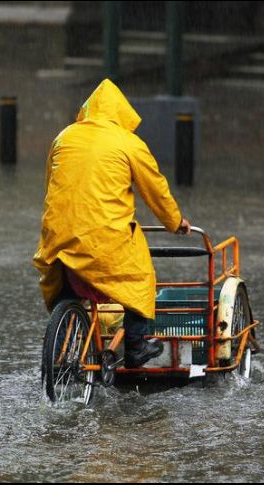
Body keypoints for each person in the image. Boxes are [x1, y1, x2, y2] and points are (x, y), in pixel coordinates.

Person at [33, 79, 191, 369]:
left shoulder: (64, 137)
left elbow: (51, 185)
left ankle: (58, 357)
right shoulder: (128, 143)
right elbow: (156, 190)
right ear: (121, 112)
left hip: (58, 235)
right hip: (104, 239)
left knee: (67, 290)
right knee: (140, 276)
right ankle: (137, 345)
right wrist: (175, 222)